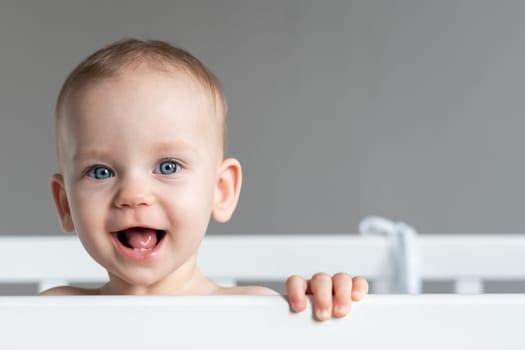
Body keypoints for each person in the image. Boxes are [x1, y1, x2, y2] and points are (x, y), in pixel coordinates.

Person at [42, 38, 368, 320]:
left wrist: (323, 314)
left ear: (221, 190)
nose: (133, 193)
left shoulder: (260, 313)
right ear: (65, 203)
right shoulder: (46, 315)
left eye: (168, 166)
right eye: (102, 172)